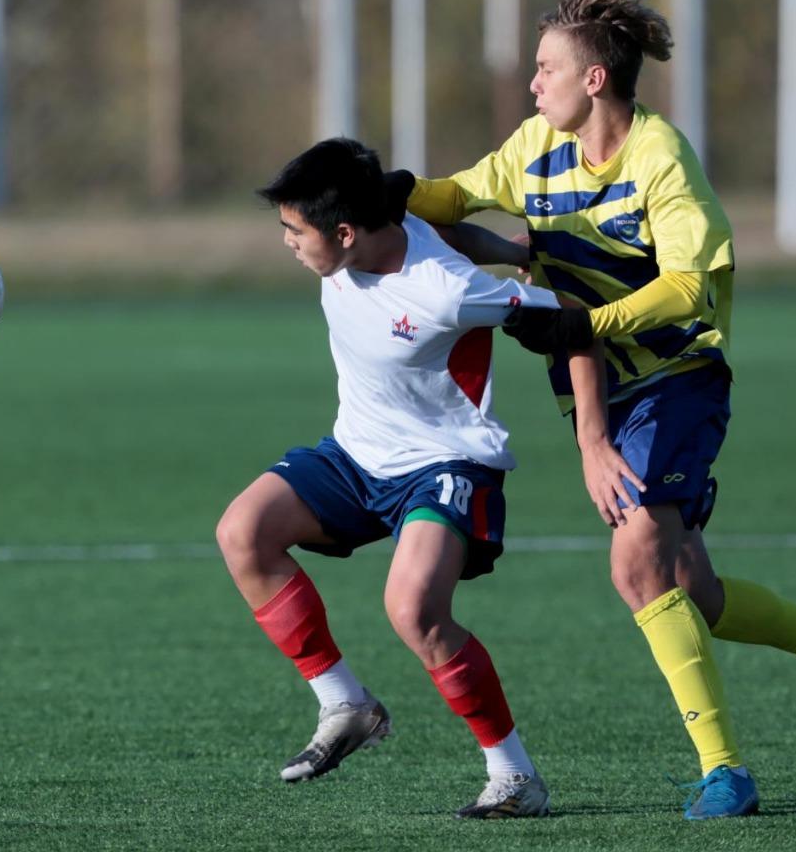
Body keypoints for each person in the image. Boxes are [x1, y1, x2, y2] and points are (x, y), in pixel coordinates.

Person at [388, 0, 796, 820]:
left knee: (635, 564)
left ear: (594, 79)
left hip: (677, 377)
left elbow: (690, 285)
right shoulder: (536, 146)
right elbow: (455, 196)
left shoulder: (662, 157)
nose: (532, 83)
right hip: (598, 390)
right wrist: (386, 189)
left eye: (546, 68)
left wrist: (589, 324)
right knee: (689, 587)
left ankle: (726, 772)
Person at [215, 137, 561, 819]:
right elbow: (442, 223)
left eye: (295, 230)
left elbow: (560, 318)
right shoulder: (370, 229)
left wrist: (547, 283)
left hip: (445, 463)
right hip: (354, 455)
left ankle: (515, 776)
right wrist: (512, 248)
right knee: (242, 533)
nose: (287, 242)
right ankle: (345, 703)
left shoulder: (446, 291)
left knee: (414, 612)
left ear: (345, 233)